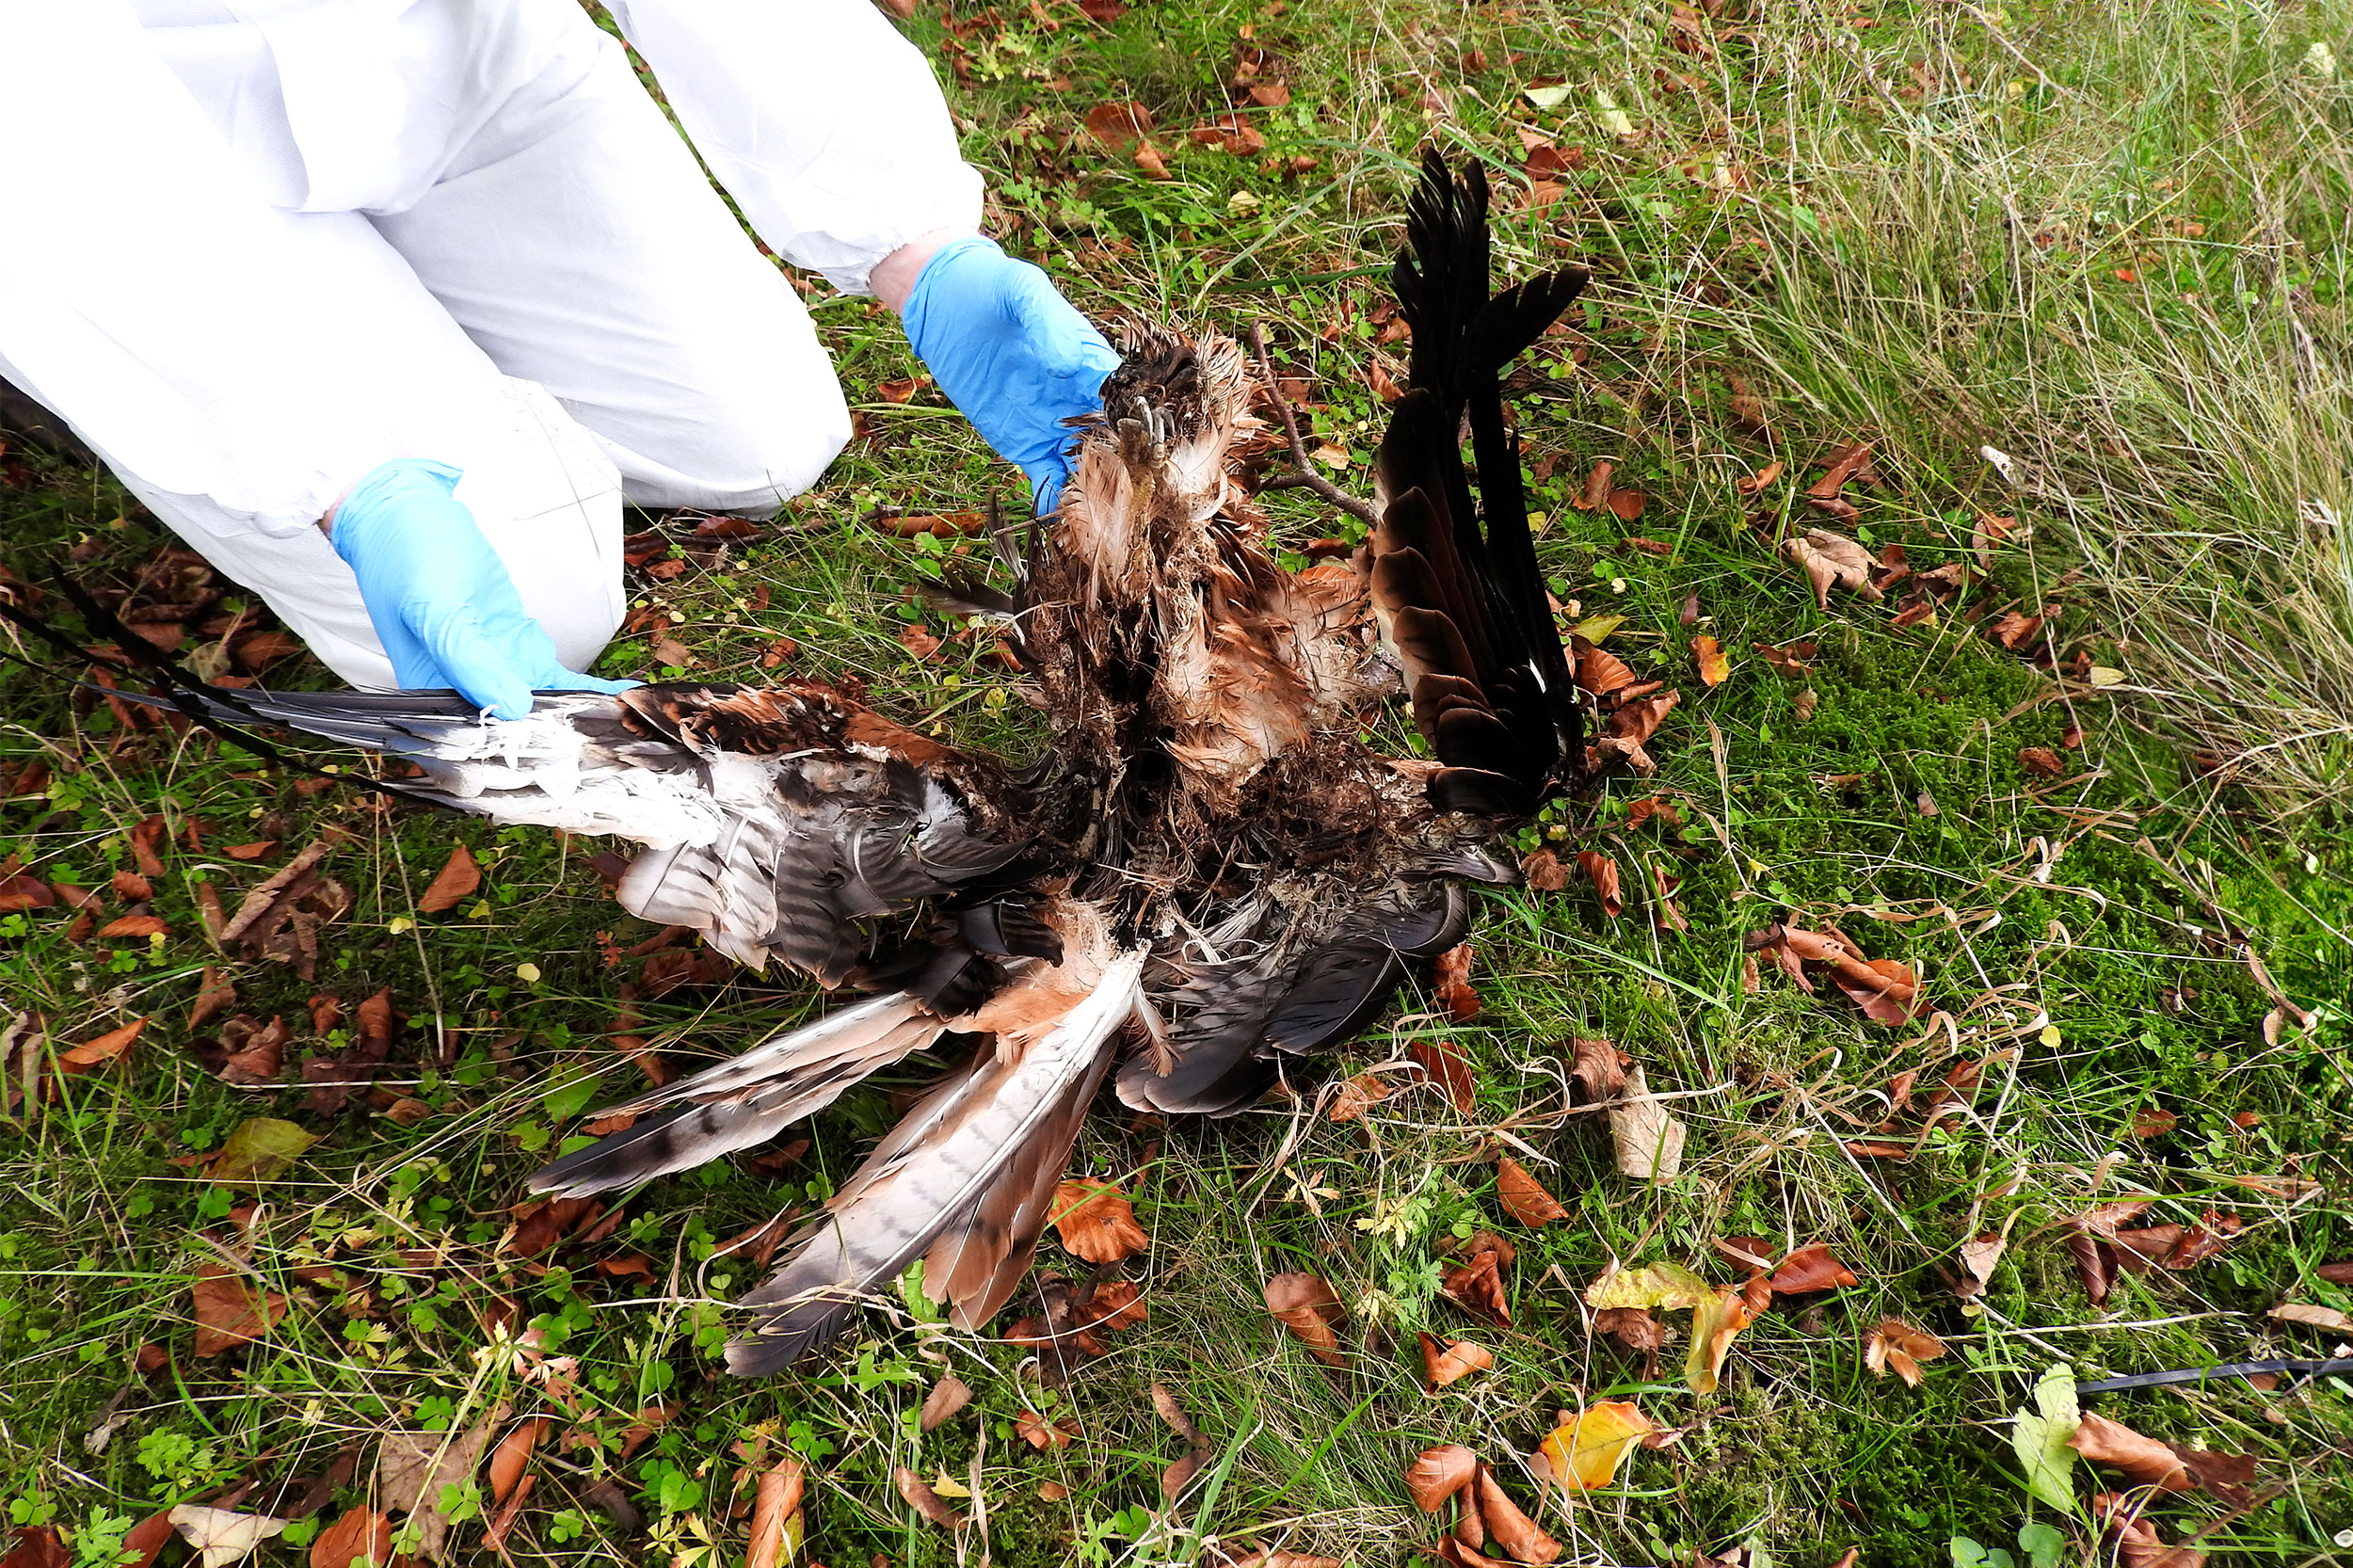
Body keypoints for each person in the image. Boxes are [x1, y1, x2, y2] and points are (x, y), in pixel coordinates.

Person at [0, 0, 1120, 720]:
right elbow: (46, 132)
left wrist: (911, 238)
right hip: (153, 187)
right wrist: (330, 470)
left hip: (455, 55)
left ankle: (439, 354)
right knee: (542, 608)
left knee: (764, 441)